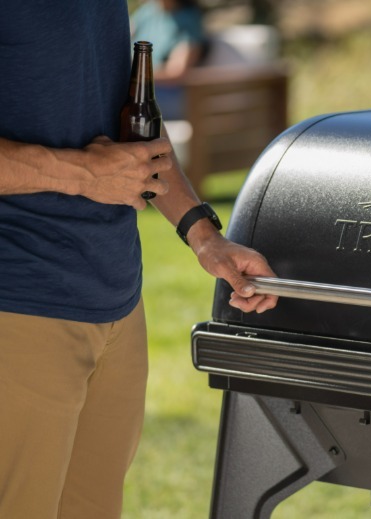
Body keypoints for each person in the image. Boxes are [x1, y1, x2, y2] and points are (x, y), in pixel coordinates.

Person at [0, 1, 277, 518]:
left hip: (116, 304)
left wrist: (203, 235)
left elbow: (133, 117)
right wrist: (81, 174)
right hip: (18, 303)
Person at [131, 0, 206, 119]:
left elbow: (176, 73)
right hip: (138, 88)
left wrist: (135, 76)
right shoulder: (147, 11)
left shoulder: (188, 19)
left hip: (165, 93)